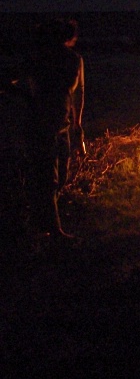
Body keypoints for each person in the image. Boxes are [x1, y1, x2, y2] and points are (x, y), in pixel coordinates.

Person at [23, 18, 85, 237]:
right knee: (49, 177)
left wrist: (77, 126)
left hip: (62, 125)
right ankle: (52, 230)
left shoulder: (73, 59)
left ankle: (41, 219)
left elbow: (77, 94)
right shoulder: (41, 60)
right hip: (42, 124)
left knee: (62, 175)